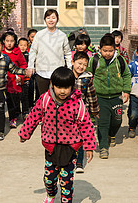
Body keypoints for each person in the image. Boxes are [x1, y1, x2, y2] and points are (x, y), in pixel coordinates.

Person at [18, 67, 96, 203]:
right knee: (49, 178)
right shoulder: (45, 99)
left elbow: (86, 125)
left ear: (72, 86)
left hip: (70, 147)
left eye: (66, 87)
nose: (62, 91)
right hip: (50, 146)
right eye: (59, 87)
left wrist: (89, 146)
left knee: (66, 182)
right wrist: (25, 133)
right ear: (52, 85)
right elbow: (33, 117)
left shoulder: (77, 103)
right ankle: (51, 194)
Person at [87, 35, 131, 159]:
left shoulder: (120, 60)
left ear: (114, 49)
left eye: (110, 51)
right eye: (105, 51)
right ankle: (103, 147)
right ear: (100, 49)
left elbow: (127, 75)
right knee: (102, 123)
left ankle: (112, 135)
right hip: (99, 97)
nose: (107, 54)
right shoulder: (94, 60)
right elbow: (88, 75)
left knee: (117, 121)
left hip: (116, 97)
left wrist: (126, 91)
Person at [27, 9, 72, 95]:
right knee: (43, 97)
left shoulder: (62, 35)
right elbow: (33, 51)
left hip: (58, 72)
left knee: (57, 96)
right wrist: (30, 66)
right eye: (48, 18)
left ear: (57, 20)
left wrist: (69, 67)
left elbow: (68, 53)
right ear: (45, 20)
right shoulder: (39, 35)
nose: (51, 20)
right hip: (41, 71)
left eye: (53, 18)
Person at [71, 51, 99, 173]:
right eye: (79, 63)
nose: (81, 67)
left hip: (81, 112)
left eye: (84, 64)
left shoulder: (87, 78)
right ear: (72, 62)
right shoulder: (66, 76)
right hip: (66, 112)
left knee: (79, 138)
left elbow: (92, 96)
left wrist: (94, 111)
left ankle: (79, 163)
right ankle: (68, 159)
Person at [2, 31, 27, 128]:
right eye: (7, 41)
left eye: (11, 41)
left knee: (12, 101)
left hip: (14, 82)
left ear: (15, 42)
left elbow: (23, 65)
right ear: (3, 41)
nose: (9, 43)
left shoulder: (17, 52)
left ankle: (13, 118)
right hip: (1, 80)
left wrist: (20, 77)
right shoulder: (0, 51)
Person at [18, 37, 32, 119]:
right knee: (17, 97)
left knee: (25, 96)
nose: (23, 47)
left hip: (26, 79)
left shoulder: (28, 56)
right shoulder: (16, 55)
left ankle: (25, 112)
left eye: (25, 45)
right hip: (17, 79)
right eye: (21, 45)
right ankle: (17, 113)